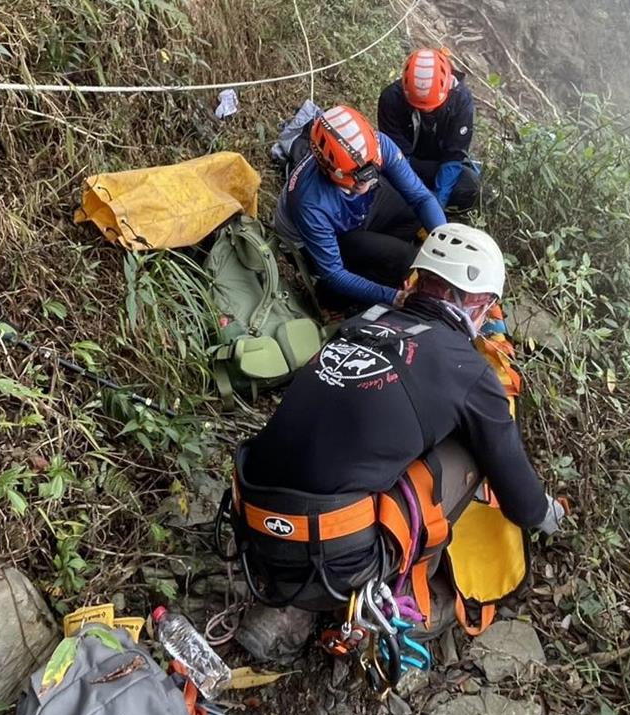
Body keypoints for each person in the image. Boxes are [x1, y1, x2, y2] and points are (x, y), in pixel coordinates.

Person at [233, 223, 565, 661]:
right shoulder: (468, 370)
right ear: (479, 303)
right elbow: (517, 492)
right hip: (332, 556)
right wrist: (548, 515)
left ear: (417, 280)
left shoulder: (359, 323)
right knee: (470, 449)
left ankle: (293, 602)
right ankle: (393, 596)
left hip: (252, 523)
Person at [274, 104, 447, 310]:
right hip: (315, 241)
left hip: (351, 210)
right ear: (330, 169)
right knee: (403, 259)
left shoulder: (379, 146)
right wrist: (392, 296)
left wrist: (445, 243)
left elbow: (421, 198)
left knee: (415, 213)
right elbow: (334, 273)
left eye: (371, 168)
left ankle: (378, 257)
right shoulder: (310, 202)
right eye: (357, 175)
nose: (366, 178)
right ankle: (336, 298)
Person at [378, 48, 481, 212]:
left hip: (439, 162)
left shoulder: (460, 100)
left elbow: (454, 154)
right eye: (419, 106)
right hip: (407, 160)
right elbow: (397, 156)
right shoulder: (391, 99)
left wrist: (438, 203)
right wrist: (418, 196)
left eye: (432, 107)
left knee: (469, 185)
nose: (426, 111)